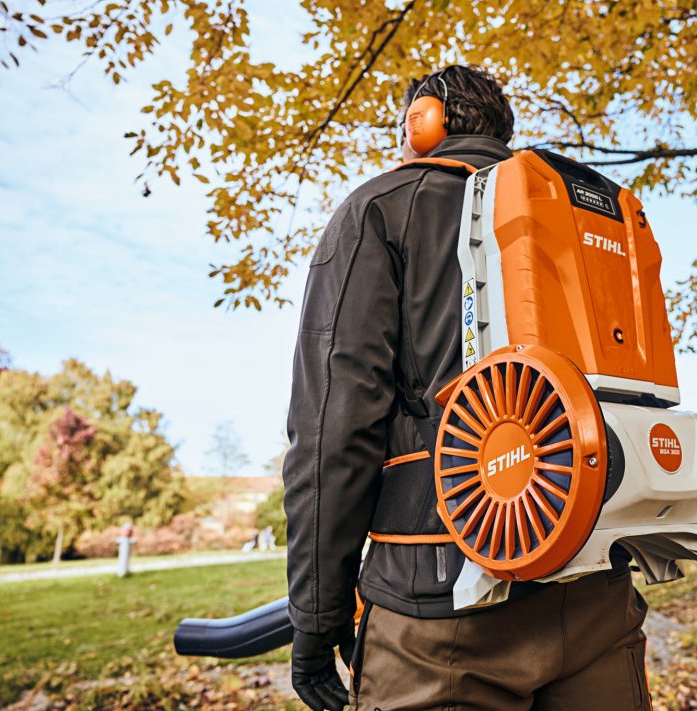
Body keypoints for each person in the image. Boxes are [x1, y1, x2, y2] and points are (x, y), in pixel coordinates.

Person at [282, 65, 650, 711]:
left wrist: (317, 616)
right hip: (595, 581)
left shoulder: (383, 204)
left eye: (404, 126)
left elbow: (332, 428)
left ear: (426, 119)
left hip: (440, 613)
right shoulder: (589, 212)